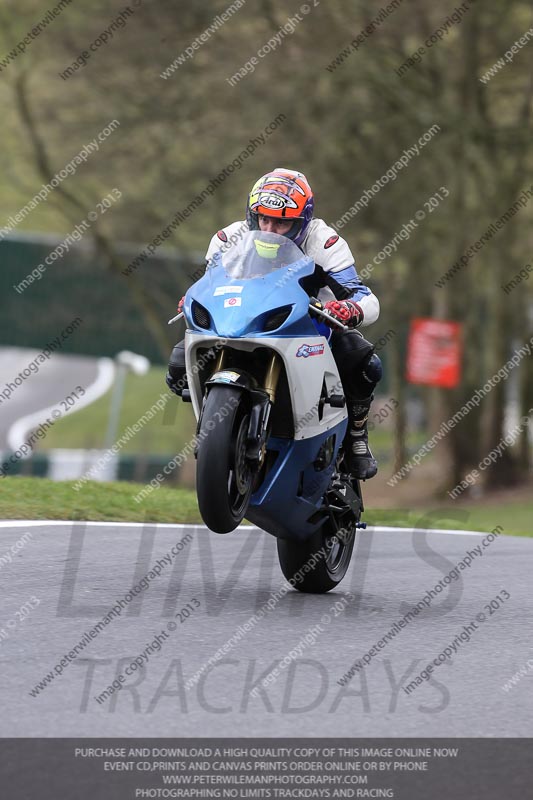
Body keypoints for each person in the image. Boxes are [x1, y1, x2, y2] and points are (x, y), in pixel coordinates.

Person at [166, 168, 382, 479]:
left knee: (365, 363)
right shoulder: (228, 238)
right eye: (263, 219)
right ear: (251, 215)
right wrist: (191, 298)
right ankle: (218, 425)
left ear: (303, 220)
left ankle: (357, 435)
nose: (270, 228)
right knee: (177, 365)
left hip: (309, 325)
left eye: (282, 222)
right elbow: (207, 283)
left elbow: (365, 296)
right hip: (241, 320)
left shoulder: (326, 242)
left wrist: (348, 309)